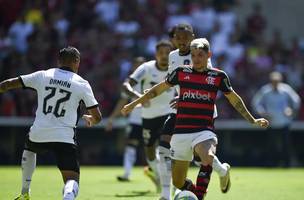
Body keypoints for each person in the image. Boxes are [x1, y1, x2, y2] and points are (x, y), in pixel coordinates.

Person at [121, 38, 269, 200]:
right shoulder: (181, 72)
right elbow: (156, 90)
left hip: (204, 130)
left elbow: (234, 99)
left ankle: (198, 196)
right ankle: (192, 191)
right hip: (181, 132)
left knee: (208, 157)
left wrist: (252, 119)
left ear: (208, 55)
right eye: (194, 55)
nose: (196, 59)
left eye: (200, 55)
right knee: (178, 182)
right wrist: (133, 104)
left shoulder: (218, 76)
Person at [0, 46, 102, 200]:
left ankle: (24, 192)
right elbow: (98, 117)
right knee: (72, 180)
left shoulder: (43, 75)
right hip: (64, 137)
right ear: (77, 62)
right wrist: (91, 119)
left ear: (59, 61)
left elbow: (8, 84)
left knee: (29, 149)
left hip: (39, 134)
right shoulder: (82, 83)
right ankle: (67, 197)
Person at [157, 23, 230, 200]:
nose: (182, 41)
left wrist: (184, 98)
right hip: (179, 110)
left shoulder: (199, 54)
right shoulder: (173, 56)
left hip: (201, 110)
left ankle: (219, 172)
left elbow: (206, 80)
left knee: (200, 154)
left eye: (185, 37)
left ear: (192, 38)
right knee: (164, 146)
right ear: (173, 39)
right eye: (178, 37)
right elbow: (175, 82)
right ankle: (169, 193)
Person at [122, 40, 175, 193]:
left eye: (167, 53)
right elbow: (126, 84)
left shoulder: (175, 68)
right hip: (148, 116)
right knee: (150, 153)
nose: (164, 56)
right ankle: (158, 175)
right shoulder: (146, 68)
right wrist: (139, 97)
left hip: (169, 113)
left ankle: (173, 185)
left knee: (168, 148)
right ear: (155, 54)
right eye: (161, 53)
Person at [106, 57, 146, 181]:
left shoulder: (154, 77)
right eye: (136, 65)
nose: (138, 68)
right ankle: (127, 173)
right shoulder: (130, 83)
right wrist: (112, 118)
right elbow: (123, 101)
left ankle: (160, 175)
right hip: (135, 119)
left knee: (155, 148)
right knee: (130, 145)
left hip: (153, 118)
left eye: (141, 65)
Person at [252, 71, 300, 167]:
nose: (275, 83)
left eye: (277, 81)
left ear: (280, 81)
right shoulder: (265, 90)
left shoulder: (286, 90)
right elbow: (255, 102)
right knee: (271, 145)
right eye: (273, 81)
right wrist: (262, 113)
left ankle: (287, 164)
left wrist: (291, 110)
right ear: (270, 81)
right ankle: (272, 164)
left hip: (284, 121)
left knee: (286, 145)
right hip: (271, 122)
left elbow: (296, 101)